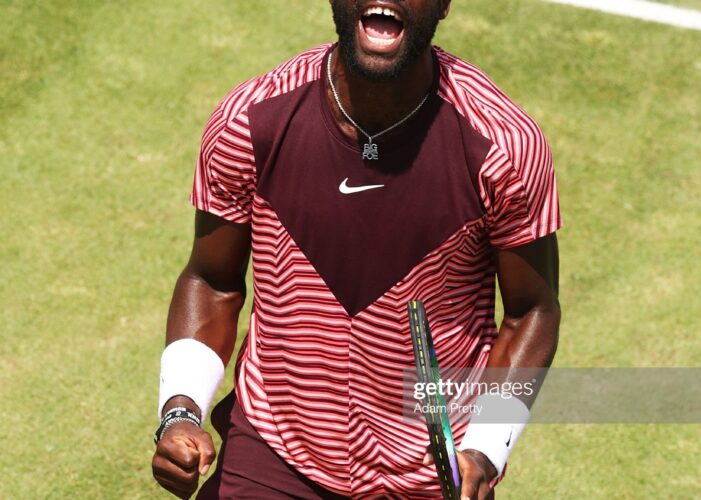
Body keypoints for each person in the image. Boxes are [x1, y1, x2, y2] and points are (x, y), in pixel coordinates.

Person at [151, 0, 562, 498]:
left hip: (429, 473)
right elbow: (211, 280)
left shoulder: (502, 147)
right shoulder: (250, 121)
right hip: (273, 452)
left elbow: (531, 311)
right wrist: (180, 409)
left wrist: (486, 448)